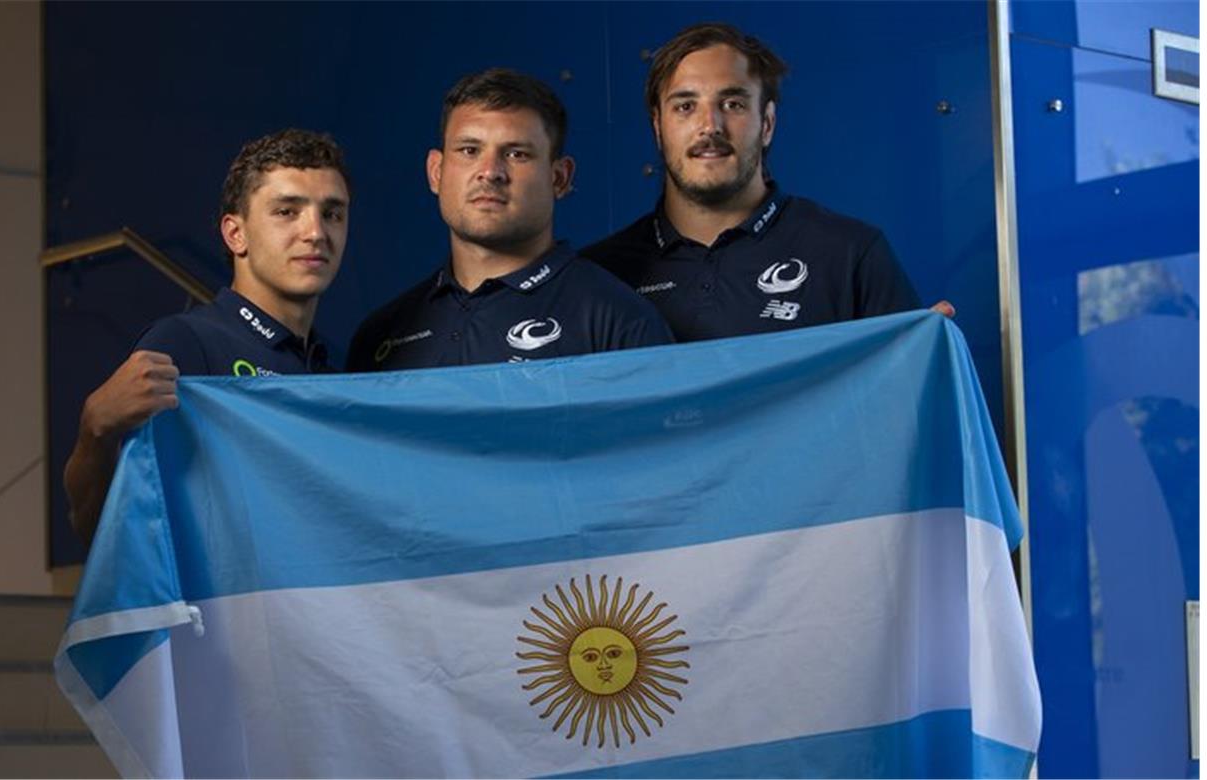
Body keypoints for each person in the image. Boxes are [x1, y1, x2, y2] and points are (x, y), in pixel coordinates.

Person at [580, 22, 952, 343]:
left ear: (768, 123)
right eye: (685, 106)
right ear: (658, 128)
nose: (710, 126)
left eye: (733, 104)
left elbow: (901, 406)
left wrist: (921, 357)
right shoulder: (597, 276)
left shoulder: (850, 254)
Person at [65, 129, 350, 542]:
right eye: (287, 211)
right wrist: (95, 427)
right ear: (236, 234)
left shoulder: (334, 377)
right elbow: (94, 527)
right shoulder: (185, 345)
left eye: (333, 213)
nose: (316, 232)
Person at [347, 68, 673, 371]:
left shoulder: (618, 321)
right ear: (436, 172)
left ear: (559, 179)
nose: (490, 172)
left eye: (516, 154)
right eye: (469, 150)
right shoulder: (380, 336)